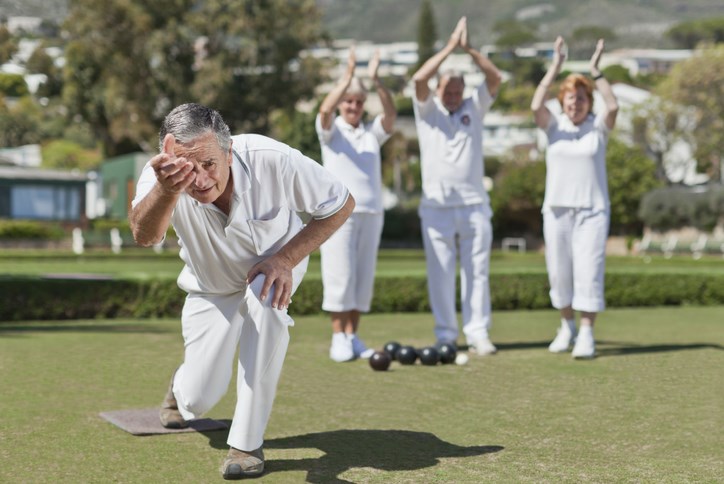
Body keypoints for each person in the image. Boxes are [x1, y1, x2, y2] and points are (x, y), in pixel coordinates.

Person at [129, 103, 354, 479]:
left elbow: (341, 203)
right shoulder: (160, 177)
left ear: (229, 150)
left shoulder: (272, 159)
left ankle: (246, 445)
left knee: (267, 304)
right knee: (199, 398)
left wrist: (286, 259)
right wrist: (168, 191)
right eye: (188, 167)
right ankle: (180, 387)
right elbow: (145, 236)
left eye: (209, 164)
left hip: (273, 268)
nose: (199, 180)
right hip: (210, 286)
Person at [411, 17, 502, 355]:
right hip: (436, 208)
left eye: (456, 91)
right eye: (447, 91)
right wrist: (449, 48)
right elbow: (419, 77)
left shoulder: (474, 108)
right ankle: (446, 334)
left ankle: (478, 331)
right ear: (438, 92)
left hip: (475, 205)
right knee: (441, 274)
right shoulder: (427, 111)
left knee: (478, 271)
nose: (452, 96)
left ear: (463, 91)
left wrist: (469, 50)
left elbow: (495, 78)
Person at [530, 37, 619, 359]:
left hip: (593, 212)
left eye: (580, 99)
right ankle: (566, 326)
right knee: (560, 272)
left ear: (588, 101)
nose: (575, 104)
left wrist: (596, 71)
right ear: (563, 101)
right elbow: (535, 105)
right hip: (556, 211)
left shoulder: (599, 128)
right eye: (570, 98)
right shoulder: (554, 127)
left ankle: (586, 333)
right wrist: (554, 66)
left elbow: (614, 106)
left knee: (588, 272)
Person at [316, 47, 396, 362]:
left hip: (371, 212)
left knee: (362, 278)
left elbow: (390, 115)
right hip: (338, 213)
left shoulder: (371, 134)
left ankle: (352, 336)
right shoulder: (331, 132)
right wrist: (347, 77)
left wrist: (376, 80)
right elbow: (324, 110)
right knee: (340, 275)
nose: (353, 106)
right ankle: (338, 337)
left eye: (358, 102)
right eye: (349, 101)